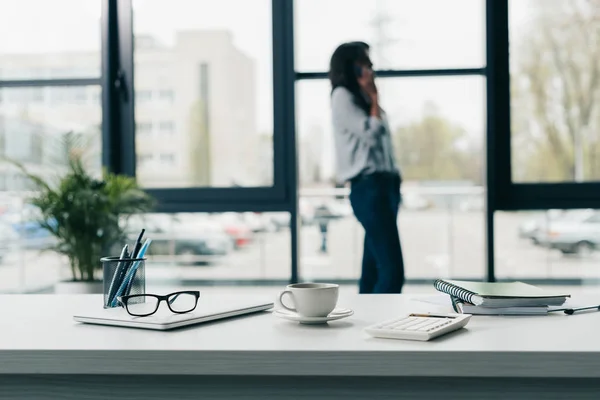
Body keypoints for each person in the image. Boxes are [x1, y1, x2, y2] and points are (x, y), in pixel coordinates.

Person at [329, 41, 405, 294]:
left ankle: (367, 324)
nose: (371, 70)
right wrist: (375, 98)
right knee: (393, 270)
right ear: (350, 67)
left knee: (373, 268)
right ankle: (385, 327)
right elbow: (370, 136)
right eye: (365, 64)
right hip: (369, 188)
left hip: (385, 186)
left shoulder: (363, 98)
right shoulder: (342, 97)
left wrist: (372, 99)